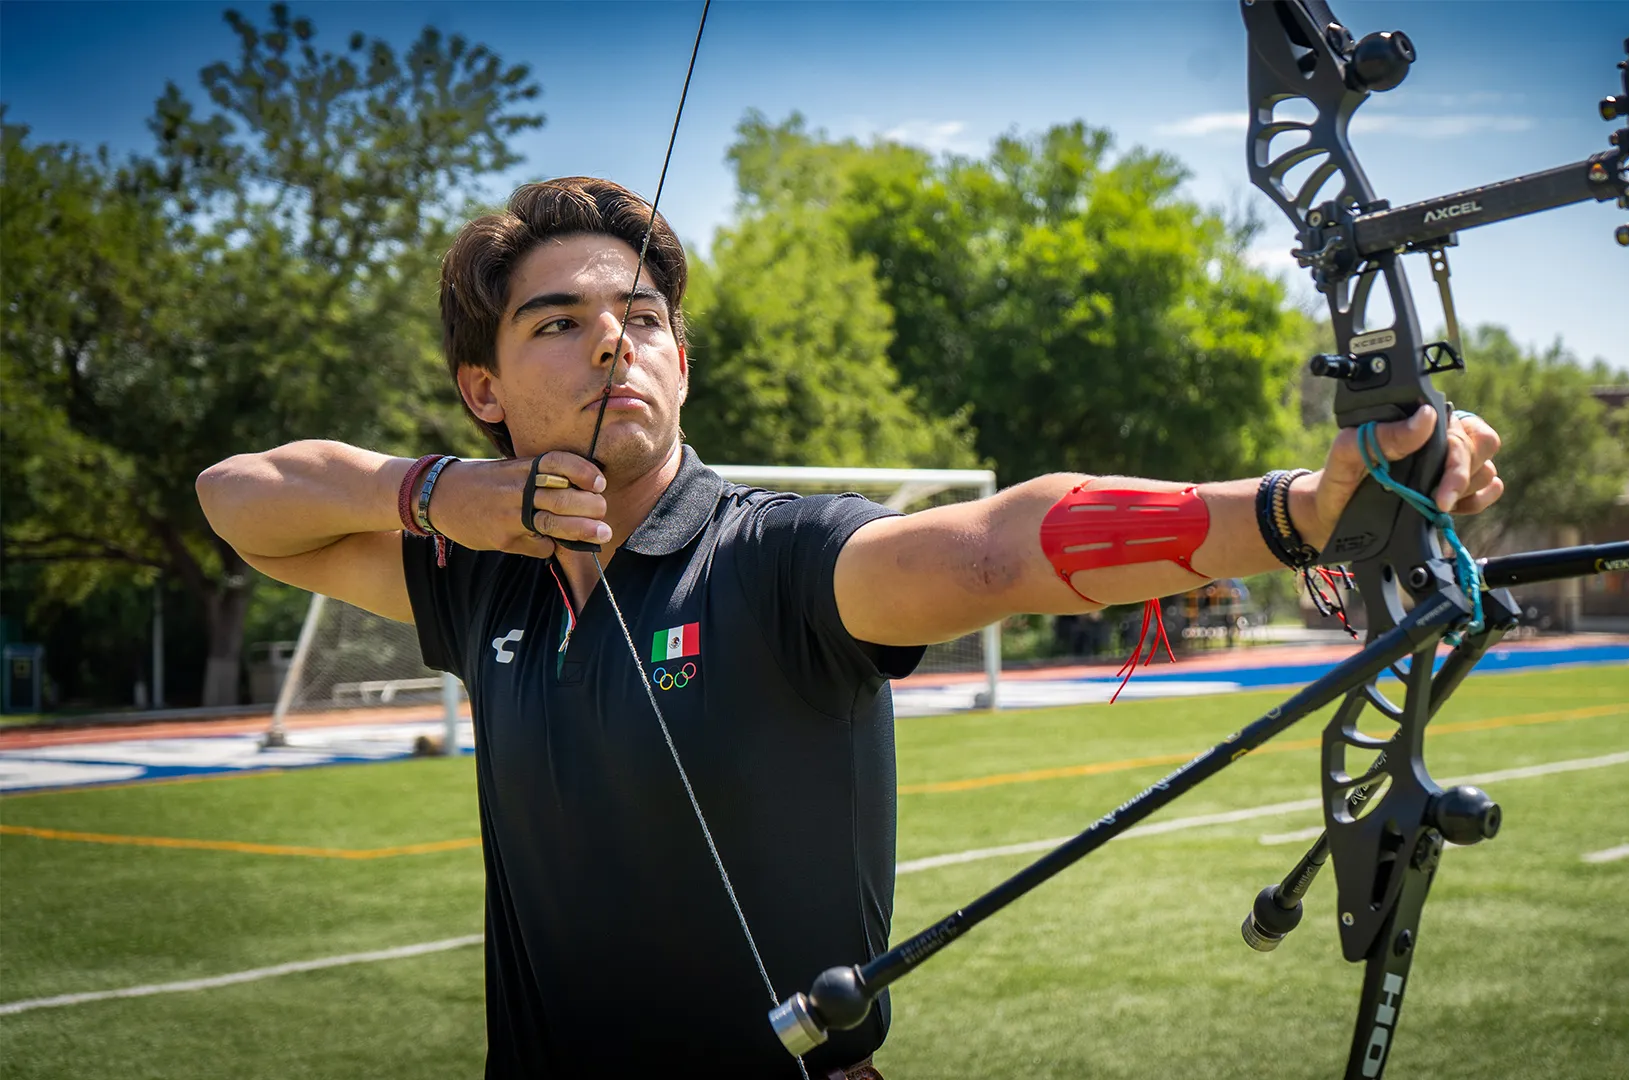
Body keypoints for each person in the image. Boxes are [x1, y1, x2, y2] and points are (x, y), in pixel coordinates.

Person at [197, 177, 1502, 1079]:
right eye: (561, 323)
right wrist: (440, 495)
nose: (613, 344)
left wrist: (1297, 510)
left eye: (643, 320)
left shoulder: (776, 555)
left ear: (683, 364)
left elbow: (995, 550)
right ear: (483, 389)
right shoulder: (483, 577)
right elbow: (239, 501)